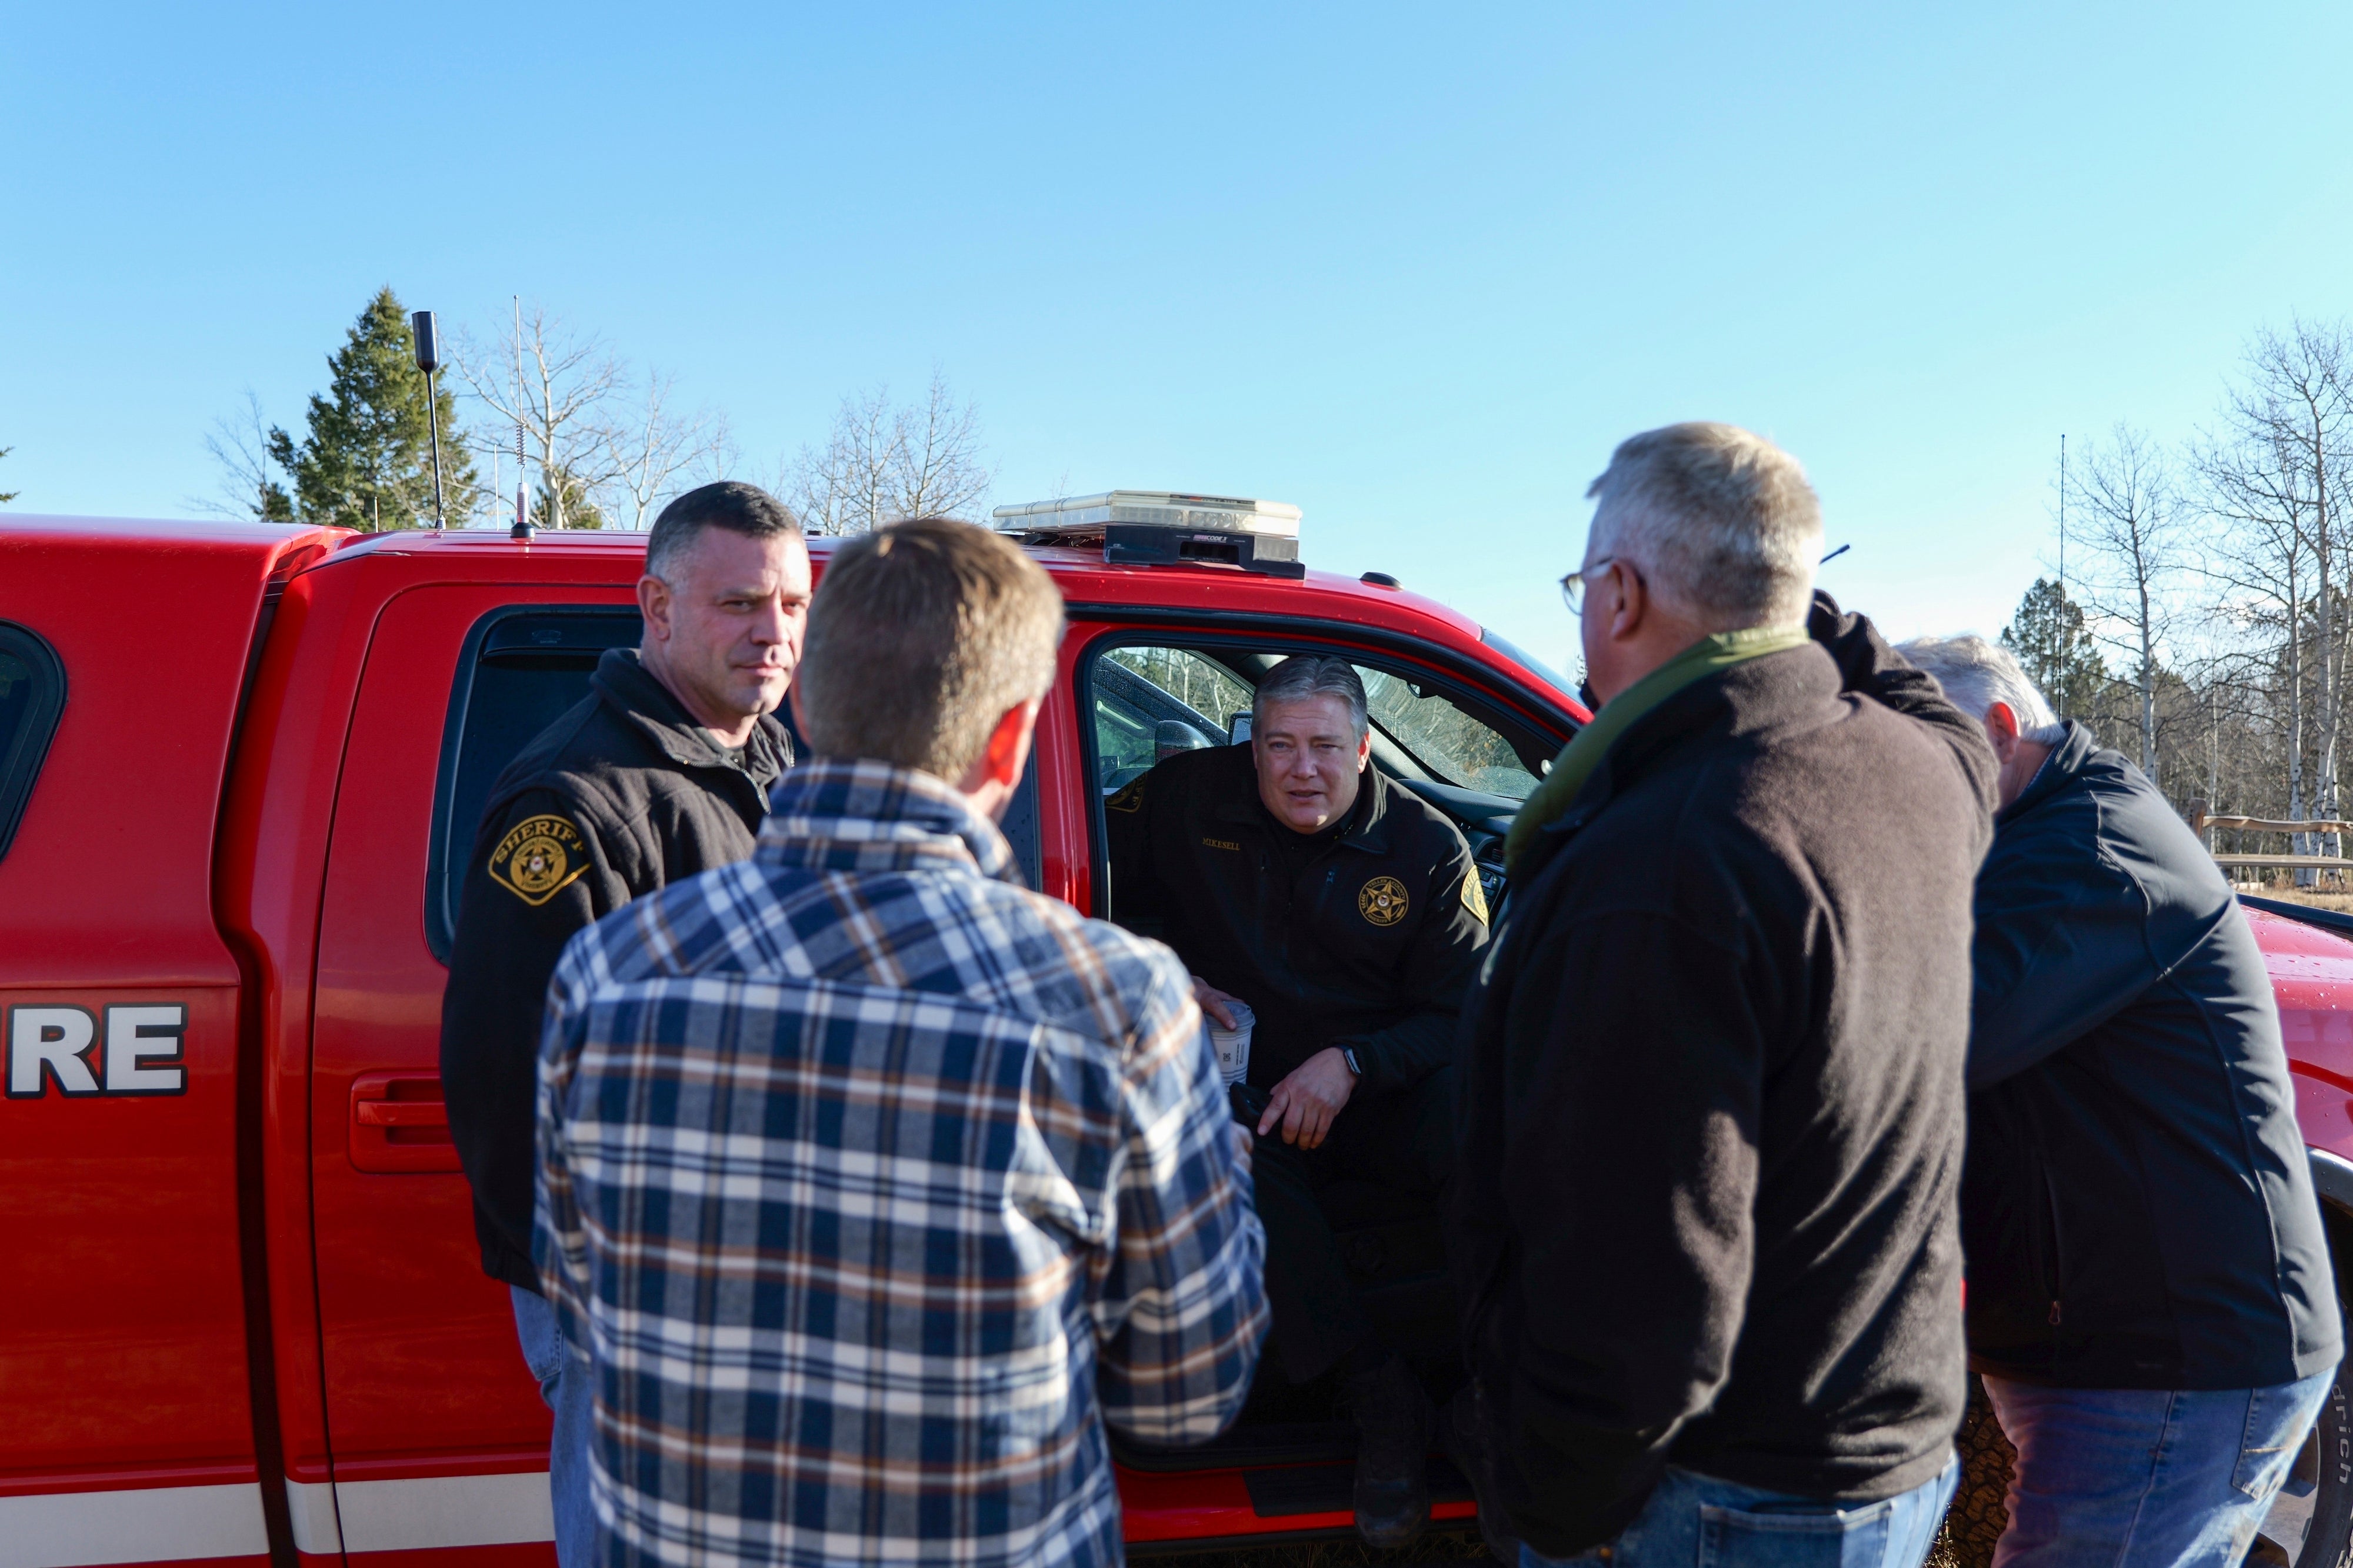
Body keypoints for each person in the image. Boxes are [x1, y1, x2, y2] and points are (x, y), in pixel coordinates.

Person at [534, 518, 1268, 1568]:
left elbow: (582, 1297)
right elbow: (1186, 1391)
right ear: (1011, 739)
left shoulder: (608, 973)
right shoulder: (1116, 1002)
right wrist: (1213, 1176)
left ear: (811, 695)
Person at [1446, 423, 1997, 1567]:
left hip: (1722, 1497)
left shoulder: (1660, 867)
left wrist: (1547, 1513)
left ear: (1618, 593)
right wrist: (1787, 591)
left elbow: (1639, 1291)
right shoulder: (1921, 777)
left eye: (1579, 587)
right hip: (1887, 1452)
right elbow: (1946, 722)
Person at [1897, 634, 2340, 1568]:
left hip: (2171, 1366)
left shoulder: (2087, 850)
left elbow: (1927, 1039)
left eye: (1910, 762)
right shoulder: (2038, 835)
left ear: (2000, 731)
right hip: (2122, 1351)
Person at [439, 481, 811, 1566]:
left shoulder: (756, 762)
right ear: (655, 605)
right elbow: (510, 1082)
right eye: (741, 603)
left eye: (791, 606)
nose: (774, 633)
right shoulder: (582, 804)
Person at [1105, 653, 1488, 1548]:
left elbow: (1464, 1013)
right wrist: (1153, 968)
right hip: (1244, 1096)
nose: (1300, 768)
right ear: (1253, 746)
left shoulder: (1428, 848)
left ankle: (1491, 1398)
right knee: (1217, 1151)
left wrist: (1355, 1061)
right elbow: (1076, 879)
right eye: (1278, 745)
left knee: (1491, 1112)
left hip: (1378, 1089)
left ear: (1364, 750)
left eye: (1324, 745)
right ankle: (1380, 1399)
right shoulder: (1179, 800)